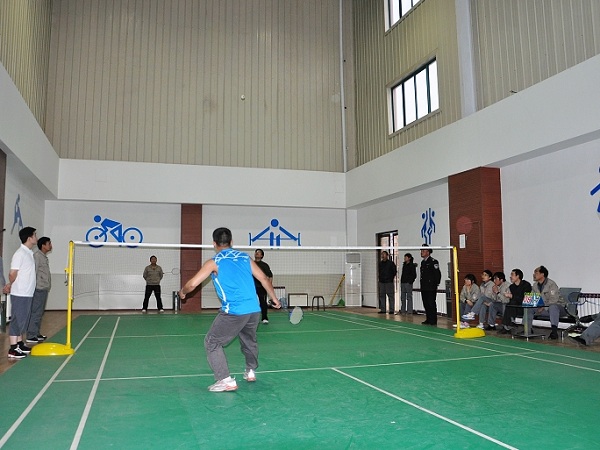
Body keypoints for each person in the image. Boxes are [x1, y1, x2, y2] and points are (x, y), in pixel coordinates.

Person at [178, 227, 281, 392]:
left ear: (214, 243)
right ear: (231, 242)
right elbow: (263, 278)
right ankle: (250, 371)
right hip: (253, 310)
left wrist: (183, 292)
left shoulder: (214, 262)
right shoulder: (245, 257)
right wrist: (274, 298)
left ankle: (225, 380)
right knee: (249, 340)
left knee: (212, 341)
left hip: (234, 311)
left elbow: (192, 284)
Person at [6, 227, 37, 359]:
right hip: (20, 293)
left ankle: (19, 343)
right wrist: (10, 284)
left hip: (27, 293)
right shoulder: (19, 254)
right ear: (29, 238)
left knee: (23, 319)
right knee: (17, 320)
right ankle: (13, 349)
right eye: (35, 235)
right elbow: (12, 273)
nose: (36, 237)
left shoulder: (28, 253)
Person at [26, 236, 52, 343]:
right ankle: (31, 335)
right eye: (49, 243)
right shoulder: (37, 256)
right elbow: (34, 272)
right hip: (38, 288)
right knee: (35, 312)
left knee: (40, 312)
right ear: (43, 245)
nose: (51, 246)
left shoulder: (43, 257)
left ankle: (36, 333)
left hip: (43, 288)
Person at [527, 266, 564, 340]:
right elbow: (532, 299)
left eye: (536, 273)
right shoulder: (535, 285)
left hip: (558, 308)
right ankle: (527, 329)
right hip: (543, 309)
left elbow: (554, 299)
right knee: (528, 308)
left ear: (542, 274)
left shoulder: (551, 284)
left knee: (553, 307)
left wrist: (543, 307)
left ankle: (554, 332)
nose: (534, 275)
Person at [498, 269, 532, 334]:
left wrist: (512, 296)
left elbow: (525, 299)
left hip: (524, 307)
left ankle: (508, 325)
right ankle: (509, 324)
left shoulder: (526, 285)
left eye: (512, 275)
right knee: (508, 304)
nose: (510, 277)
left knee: (512, 303)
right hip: (514, 307)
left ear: (518, 276)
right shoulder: (511, 287)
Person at [420, 245, 441, 325]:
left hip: (431, 286)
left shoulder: (433, 261)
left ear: (428, 252)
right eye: (421, 251)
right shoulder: (423, 262)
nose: (421, 252)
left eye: (423, 251)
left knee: (431, 303)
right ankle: (428, 319)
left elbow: (437, 273)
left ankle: (433, 320)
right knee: (425, 303)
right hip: (424, 286)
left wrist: (436, 283)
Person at [253, 249, 273, 324]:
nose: (256, 254)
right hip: (252, 287)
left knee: (263, 302)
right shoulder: (251, 264)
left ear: (261, 256)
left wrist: (269, 286)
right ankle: (250, 318)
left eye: (258, 253)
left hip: (261, 287)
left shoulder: (264, 265)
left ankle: (264, 318)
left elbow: (270, 276)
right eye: (256, 252)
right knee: (251, 302)